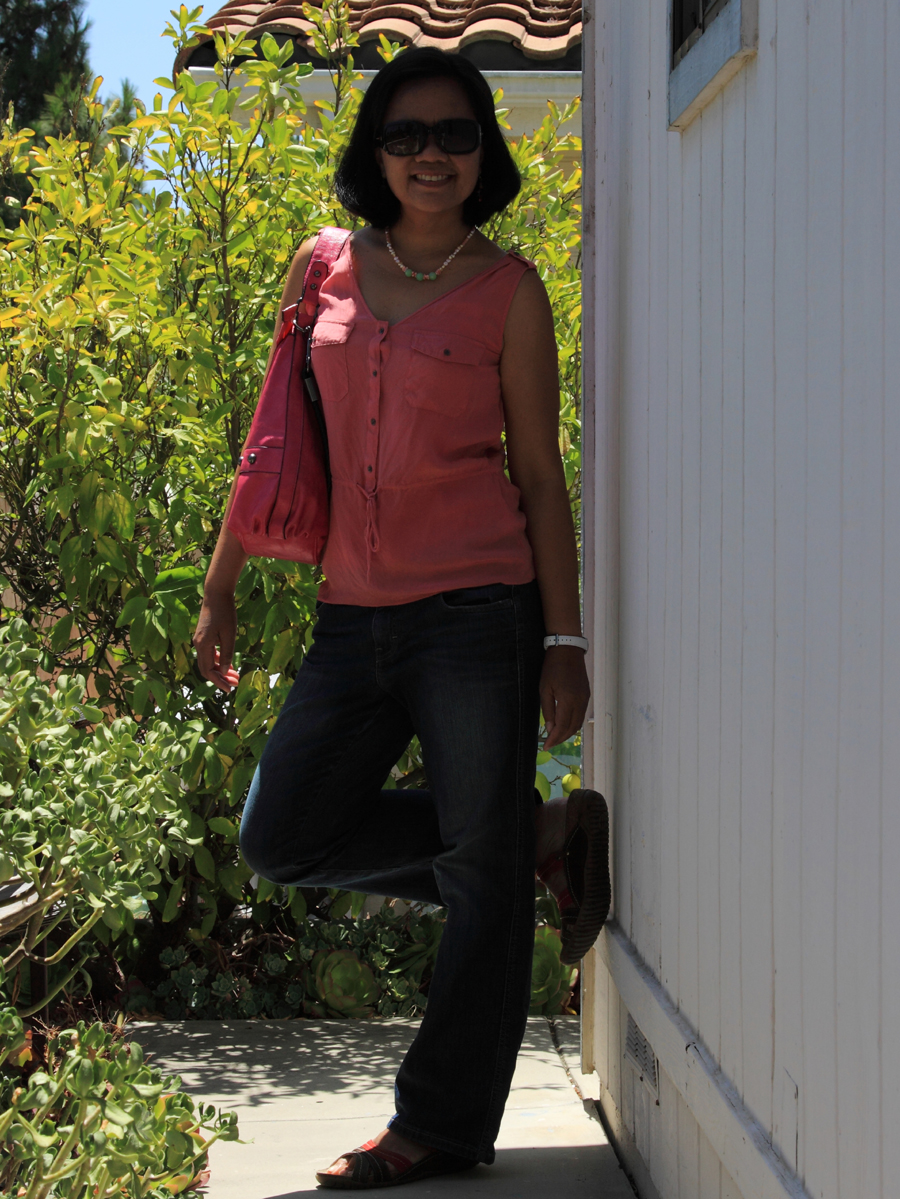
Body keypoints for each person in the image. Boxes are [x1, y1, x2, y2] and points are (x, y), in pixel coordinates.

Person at [193, 47, 609, 1191]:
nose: (432, 154)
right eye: (408, 134)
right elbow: (272, 435)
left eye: (456, 133)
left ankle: (436, 1124)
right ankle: (532, 842)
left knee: (477, 877)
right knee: (282, 835)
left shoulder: (509, 290)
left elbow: (540, 476)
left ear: (485, 152)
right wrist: (221, 579)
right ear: (374, 151)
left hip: (479, 612)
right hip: (350, 614)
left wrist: (565, 641)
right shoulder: (323, 264)